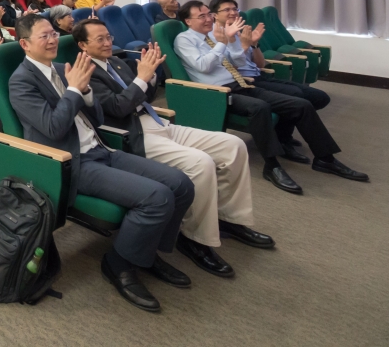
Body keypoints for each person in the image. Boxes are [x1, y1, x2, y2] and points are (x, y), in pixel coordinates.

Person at [7, 14, 194, 313]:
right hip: (73, 162)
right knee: (157, 197)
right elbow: (53, 128)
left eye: (54, 33)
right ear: (25, 44)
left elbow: (97, 119)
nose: (53, 39)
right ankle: (118, 264)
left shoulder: (62, 69)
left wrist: (86, 92)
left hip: (101, 148)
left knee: (181, 184)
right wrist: (73, 90)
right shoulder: (21, 81)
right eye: (44, 36)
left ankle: (146, 252)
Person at [79, 18, 274, 279]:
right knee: (200, 163)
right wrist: (142, 78)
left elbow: (145, 97)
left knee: (234, 145)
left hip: (157, 121)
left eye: (108, 37)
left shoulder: (116, 62)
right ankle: (195, 238)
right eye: (99, 39)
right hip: (134, 133)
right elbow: (117, 108)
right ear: (83, 45)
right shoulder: (85, 72)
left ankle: (229, 218)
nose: (107, 43)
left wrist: (150, 76)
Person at [174, 1, 367, 195]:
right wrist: (222, 43)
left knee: (302, 105)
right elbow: (203, 66)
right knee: (260, 107)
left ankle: (325, 159)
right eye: (202, 16)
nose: (208, 19)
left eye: (209, 14)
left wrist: (234, 42)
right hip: (218, 93)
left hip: (242, 84)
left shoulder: (215, 35)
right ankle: (272, 166)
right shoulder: (184, 40)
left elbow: (237, 62)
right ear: (188, 21)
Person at [208, 0, 331, 112]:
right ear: (214, 15)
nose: (233, 13)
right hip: (244, 81)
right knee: (296, 95)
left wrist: (254, 45)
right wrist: (244, 46)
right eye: (227, 10)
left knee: (320, 97)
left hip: (260, 75)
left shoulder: (239, 33)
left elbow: (260, 64)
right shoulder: (214, 38)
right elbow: (228, 69)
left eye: (235, 9)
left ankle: (288, 120)